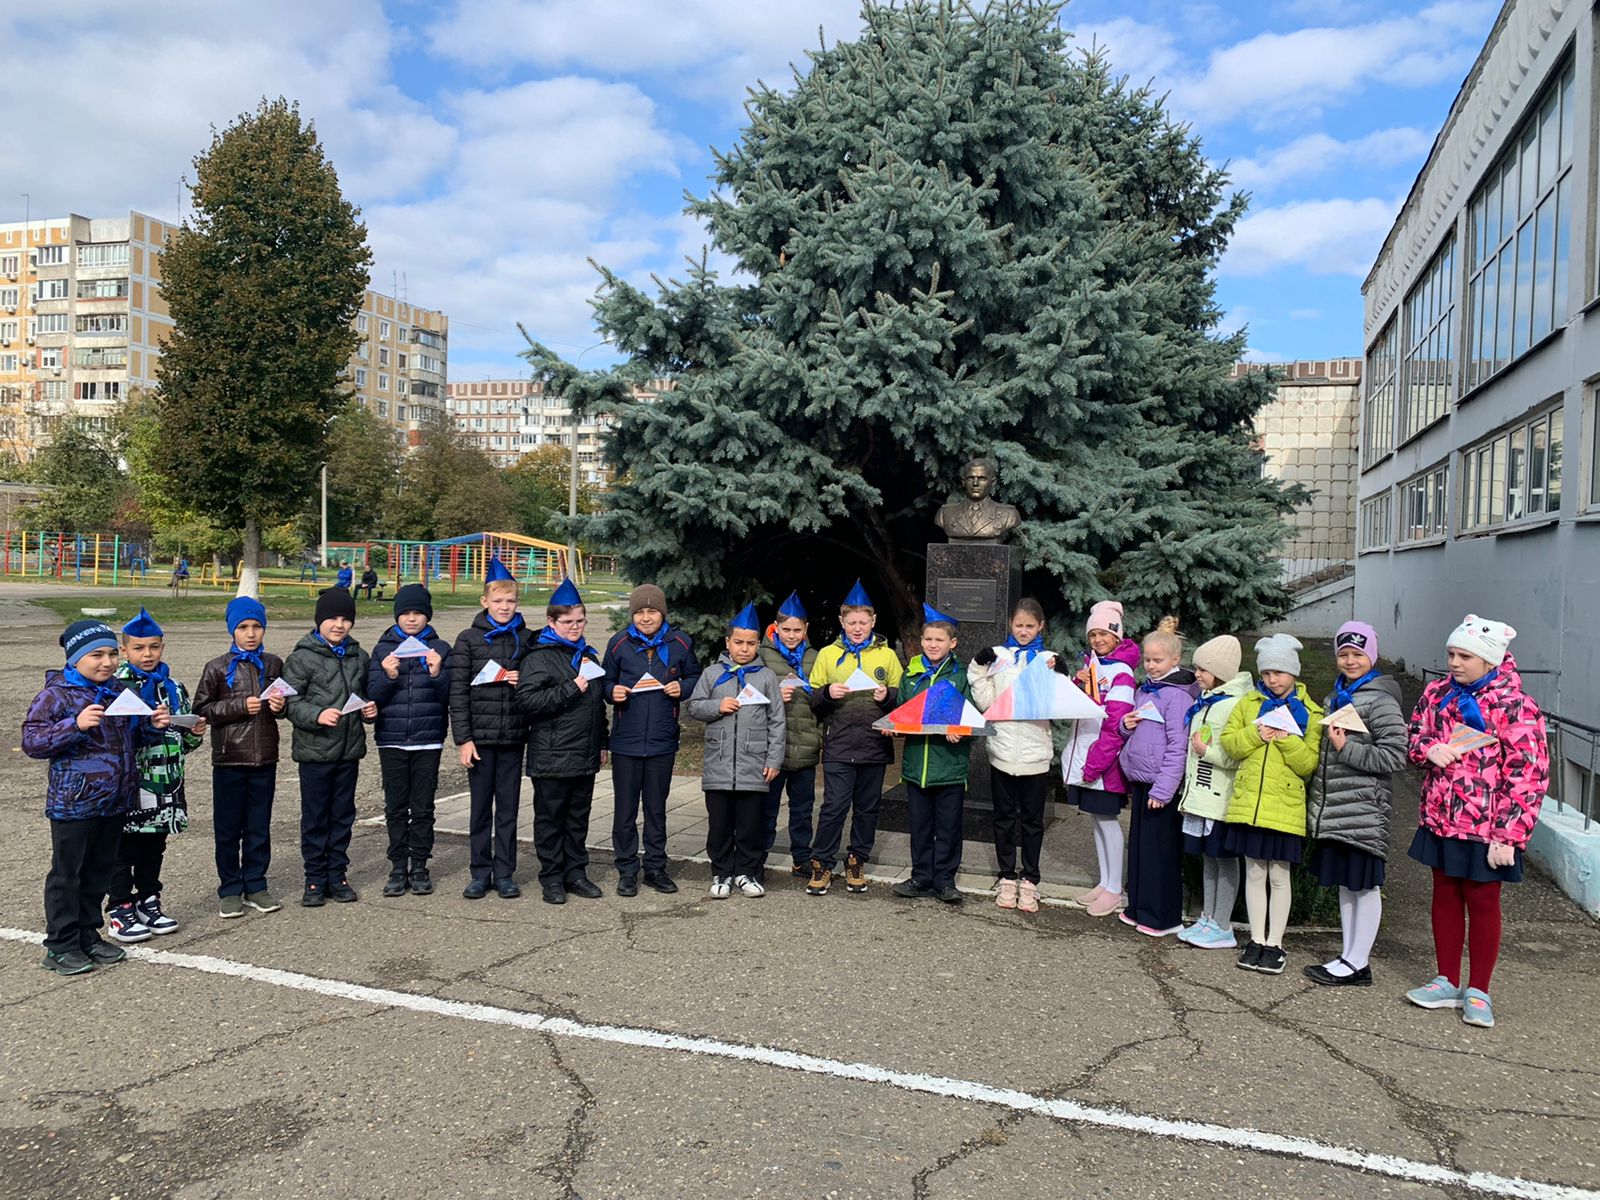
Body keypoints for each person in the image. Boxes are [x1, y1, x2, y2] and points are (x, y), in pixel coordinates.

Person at [1403, 615, 1548, 1028]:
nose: (1454, 663)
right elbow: (1414, 737)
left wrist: (1509, 835)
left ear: (1489, 660)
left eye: (1464, 656)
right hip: (1441, 818)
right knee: (1444, 894)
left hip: (1487, 830)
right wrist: (1429, 749)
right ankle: (1446, 979)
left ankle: (1479, 989)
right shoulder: (1437, 694)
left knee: (1483, 902)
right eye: (1451, 654)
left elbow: (1528, 775)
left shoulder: (1515, 705)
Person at [24, 620, 170, 974]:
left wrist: (152, 725)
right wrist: (74, 725)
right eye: (96, 655)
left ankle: (89, 935)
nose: (106, 662)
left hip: (115, 801)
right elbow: (32, 742)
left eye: (111, 653)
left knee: (99, 873)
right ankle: (60, 944)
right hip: (74, 804)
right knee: (68, 875)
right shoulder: (56, 695)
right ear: (74, 660)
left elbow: (132, 738)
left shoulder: (118, 690)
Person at [1302, 622, 1409, 987]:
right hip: (1337, 811)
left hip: (1364, 811)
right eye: (1344, 654)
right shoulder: (1336, 698)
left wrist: (1347, 749)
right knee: (1346, 885)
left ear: (1372, 656)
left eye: (1358, 655)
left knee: (1364, 886)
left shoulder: (1381, 700)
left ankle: (1359, 962)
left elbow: (1395, 756)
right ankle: (1347, 955)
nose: (1350, 661)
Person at [1219, 634, 1323, 975]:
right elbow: (1230, 744)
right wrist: (1256, 735)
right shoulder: (1248, 703)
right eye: (1266, 673)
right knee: (1253, 871)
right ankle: (1256, 938)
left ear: (1293, 673)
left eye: (1279, 672)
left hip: (1285, 806)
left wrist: (1287, 741)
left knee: (1279, 875)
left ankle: (1275, 943)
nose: (1272, 680)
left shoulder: (1310, 711)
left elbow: (1308, 764)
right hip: (1250, 804)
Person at [105, 608, 206, 941]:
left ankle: (149, 900)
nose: (147, 655)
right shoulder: (113, 686)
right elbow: (109, 738)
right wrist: (146, 726)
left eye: (154, 647)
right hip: (129, 783)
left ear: (163, 646)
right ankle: (120, 907)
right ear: (124, 650)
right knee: (124, 847)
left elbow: (184, 742)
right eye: (138, 648)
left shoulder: (173, 687)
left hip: (166, 783)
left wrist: (196, 731)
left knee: (154, 845)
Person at [806, 579, 904, 896]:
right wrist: (827, 693)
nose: (858, 628)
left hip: (874, 745)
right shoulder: (827, 654)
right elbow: (812, 698)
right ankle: (821, 863)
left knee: (867, 808)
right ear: (841, 622)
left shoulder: (887, 655)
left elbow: (903, 698)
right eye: (852, 622)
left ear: (873, 621)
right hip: (838, 744)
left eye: (863, 622)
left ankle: (856, 860)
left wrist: (887, 695)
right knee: (833, 806)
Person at [603, 583, 702, 896]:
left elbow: (695, 676)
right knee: (625, 811)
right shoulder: (618, 644)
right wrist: (612, 692)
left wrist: (682, 689)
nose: (646, 618)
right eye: (640, 612)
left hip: (662, 740)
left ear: (663, 613)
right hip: (626, 741)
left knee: (656, 809)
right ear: (633, 614)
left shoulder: (680, 643)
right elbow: (604, 680)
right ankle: (627, 869)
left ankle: (656, 868)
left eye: (652, 611)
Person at [281, 587, 378, 907]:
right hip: (315, 751)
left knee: (342, 816)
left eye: (345, 619)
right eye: (332, 618)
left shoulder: (358, 656)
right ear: (319, 621)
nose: (339, 625)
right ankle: (314, 878)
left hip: (348, 751)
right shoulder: (301, 658)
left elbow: (365, 693)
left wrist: (368, 710)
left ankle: (337, 874)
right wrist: (317, 714)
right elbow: (290, 704)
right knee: (315, 817)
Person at [968, 598, 1065, 913]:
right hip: (1004, 749)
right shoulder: (1000, 657)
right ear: (1010, 624)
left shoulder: (1049, 658)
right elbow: (985, 700)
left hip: (1036, 751)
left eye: (1030, 626)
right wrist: (980, 666)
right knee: (1005, 816)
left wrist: (1060, 674)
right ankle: (1007, 874)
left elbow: (1063, 701)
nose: (1023, 631)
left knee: (1032, 820)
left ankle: (1030, 879)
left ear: (1041, 627)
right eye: (1019, 625)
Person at [516, 577, 609, 904]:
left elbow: (598, 704)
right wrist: (572, 687)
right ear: (551, 622)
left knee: (577, 819)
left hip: (584, 754)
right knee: (551, 820)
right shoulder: (539, 657)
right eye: (568, 622)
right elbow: (526, 702)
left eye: (580, 621)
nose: (575, 627)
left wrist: (602, 743)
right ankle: (552, 877)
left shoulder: (588, 655)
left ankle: (576, 873)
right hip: (552, 755)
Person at [194, 595, 287, 918]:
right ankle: (230, 888)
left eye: (257, 627)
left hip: (264, 758)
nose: (251, 634)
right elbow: (202, 710)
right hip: (230, 758)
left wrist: (280, 707)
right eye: (243, 627)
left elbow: (285, 701)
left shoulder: (273, 664)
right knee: (229, 828)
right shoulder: (217, 667)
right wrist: (237, 706)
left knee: (259, 827)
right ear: (232, 630)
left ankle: (256, 885)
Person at [448, 556, 536, 899]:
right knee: (481, 809)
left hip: (514, 737)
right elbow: (457, 692)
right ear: (484, 602)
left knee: (509, 811)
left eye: (510, 601)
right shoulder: (468, 639)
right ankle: (479, 872)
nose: (504, 606)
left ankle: (505, 873)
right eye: (497, 601)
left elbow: (539, 682)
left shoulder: (527, 639)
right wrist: (463, 739)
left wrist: (523, 679)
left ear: (518, 603)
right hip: (481, 739)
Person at [687, 603, 787, 898]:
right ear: (727, 642)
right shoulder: (712, 673)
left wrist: (773, 759)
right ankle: (721, 872)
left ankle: (747, 872)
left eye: (751, 643)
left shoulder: (766, 677)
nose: (744, 649)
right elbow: (693, 706)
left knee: (749, 825)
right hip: (718, 765)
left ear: (759, 644)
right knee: (719, 824)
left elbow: (777, 721)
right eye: (738, 642)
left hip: (753, 765)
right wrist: (716, 706)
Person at [367, 584, 451, 897]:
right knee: (396, 807)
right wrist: (388, 677)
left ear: (427, 616)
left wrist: (437, 672)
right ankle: (397, 867)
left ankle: (420, 867)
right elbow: (371, 698)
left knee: (423, 807)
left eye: (418, 613)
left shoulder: (440, 647)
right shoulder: (382, 649)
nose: (412, 619)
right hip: (391, 739)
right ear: (397, 616)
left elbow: (448, 697)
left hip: (428, 740)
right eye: (405, 613)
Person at [1118, 616, 1199, 937]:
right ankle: (1137, 905)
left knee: (1159, 852)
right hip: (1141, 778)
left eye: (1157, 660)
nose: (1150, 666)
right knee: (1139, 848)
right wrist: (1126, 726)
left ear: (1175, 660)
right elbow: (1136, 731)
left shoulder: (1177, 696)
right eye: (1147, 660)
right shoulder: (1147, 690)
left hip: (1159, 785)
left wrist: (1164, 789)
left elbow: (1179, 747)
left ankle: (1161, 916)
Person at [886, 603, 972, 905]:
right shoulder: (911, 675)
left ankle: (945, 880)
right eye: (928, 639)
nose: (933, 645)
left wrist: (960, 730)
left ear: (952, 644)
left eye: (939, 640)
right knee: (920, 827)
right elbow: (903, 713)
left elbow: (970, 718)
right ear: (921, 642)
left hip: (949, 767)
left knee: (948, 828)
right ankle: (921, 876)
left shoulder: (960, 677)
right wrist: (893, 727)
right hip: (916, 767)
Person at [1060, 600, 1140, 917]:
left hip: (1104, 765)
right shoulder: (1093, 666)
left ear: (1117, 636)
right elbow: (1080, 709)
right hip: (1089, 758)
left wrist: (1094, 764)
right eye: (1092, 634)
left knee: (1108, 823)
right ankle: (1106, 883)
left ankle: (1116, 889)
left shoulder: (1121, 673)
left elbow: (1114, 725)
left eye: (1103, 634)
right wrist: (1079, 684)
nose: (1097, 640)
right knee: (1096, 821)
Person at [1175, 635, 1250, 949]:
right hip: (1202, 796)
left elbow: (1234, 753)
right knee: (1209, 858)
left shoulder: (1233, 705)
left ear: (1220, 672)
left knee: (1225, 860)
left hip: (1220, 798)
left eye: (1203, 669)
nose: (1197, 674)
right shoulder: (1205, 700)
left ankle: (1222, 924)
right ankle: (1208, 917)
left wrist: (1208, 752)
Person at [757, 591, 821, 879]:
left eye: (797, 630)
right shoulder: (761, 656)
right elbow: (745, 695)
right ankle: (757, 857)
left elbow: (824, 701)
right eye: (786, 630)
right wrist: (771, 696)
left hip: (805, 746)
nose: (792, 635)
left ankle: (801, 858)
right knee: (766, 810)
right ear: (776, 627)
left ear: (806, 629)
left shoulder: (816, 658)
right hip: (773, 750)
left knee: (803, 810)